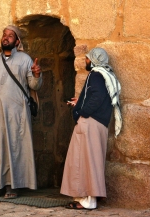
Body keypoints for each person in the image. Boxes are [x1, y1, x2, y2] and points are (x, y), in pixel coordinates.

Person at [0, 25, 42, 199]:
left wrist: (37, 75)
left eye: (10, 36)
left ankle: (12, 186)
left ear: (17, 41)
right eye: (4, 35)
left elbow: (34, 86)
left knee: (14, 147)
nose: (6, 38)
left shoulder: (25, 60)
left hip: (17, 112)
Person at [60, 47, 122, 210]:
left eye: (88, 58)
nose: (86, 61)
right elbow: (97, 97)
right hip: (98, 124)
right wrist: (80, 101)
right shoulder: (105, 75)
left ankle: (88, 200)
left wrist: (81, 112)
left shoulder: (96, 75)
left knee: (83, 161)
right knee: (91, 160)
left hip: (90, 123)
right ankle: (88, 198)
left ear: (94, 60)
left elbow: (96, 97)